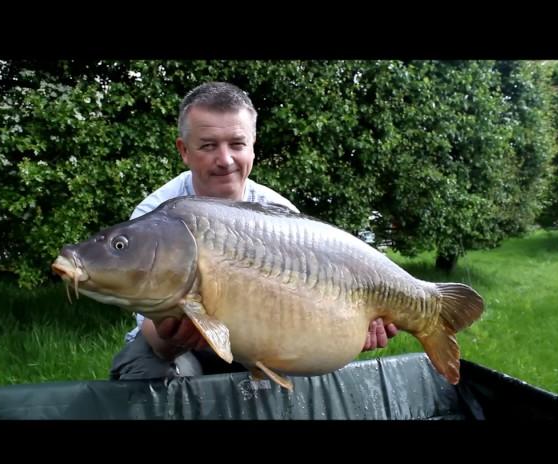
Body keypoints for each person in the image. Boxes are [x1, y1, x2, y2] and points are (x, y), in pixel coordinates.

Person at [109, 81, 398, 381]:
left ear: (252, 146)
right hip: (182, 349)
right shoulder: (155, 216)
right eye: (208, 145)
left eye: (237, 144)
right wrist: (173, 337)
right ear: (184, 150)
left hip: (263, 339)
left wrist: (347, 334)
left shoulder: (280, 215)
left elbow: (305, 321)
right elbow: (154, 336)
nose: (225, 160)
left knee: (302, 383)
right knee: (145, 371)